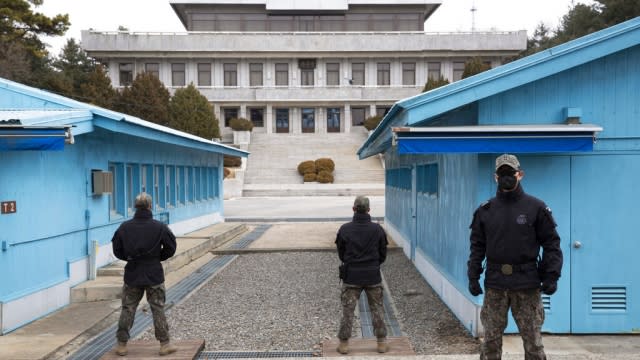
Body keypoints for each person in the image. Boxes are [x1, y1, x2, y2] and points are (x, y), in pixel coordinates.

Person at [467, 154, 563, 360]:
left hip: (527, 284)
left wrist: (551, 275)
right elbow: (477, 246)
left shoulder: (536, 208)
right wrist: (473, 275)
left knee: (533, 343)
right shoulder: (485, 211)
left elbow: (551, 243)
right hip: (495, 285)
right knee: (490, 344)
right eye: (502, 173)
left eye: (510, 173)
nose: (506, 177)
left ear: (520, 174)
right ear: (495, 177)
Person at [112, 192, 178, 356]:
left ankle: (121, 344)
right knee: (158, 308)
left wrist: (129, 259)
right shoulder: (160, 227)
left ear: (135, 207)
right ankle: (164, 344)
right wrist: (157, 258)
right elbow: (171, 248)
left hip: (132, 274)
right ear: (150, 206)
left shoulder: (124, 227)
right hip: (154, 273)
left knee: (128, 308)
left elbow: (117, 250)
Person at [335, 195, 389, 354]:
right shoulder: (378, 229)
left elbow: (341, 254)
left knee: (348, 311)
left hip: (351, 276)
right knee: (378, 309)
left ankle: (344, 344)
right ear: (369, 210)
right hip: (372, 275)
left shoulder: (344, 229)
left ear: (353, 209)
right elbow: (383, 254)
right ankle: (381, 343)